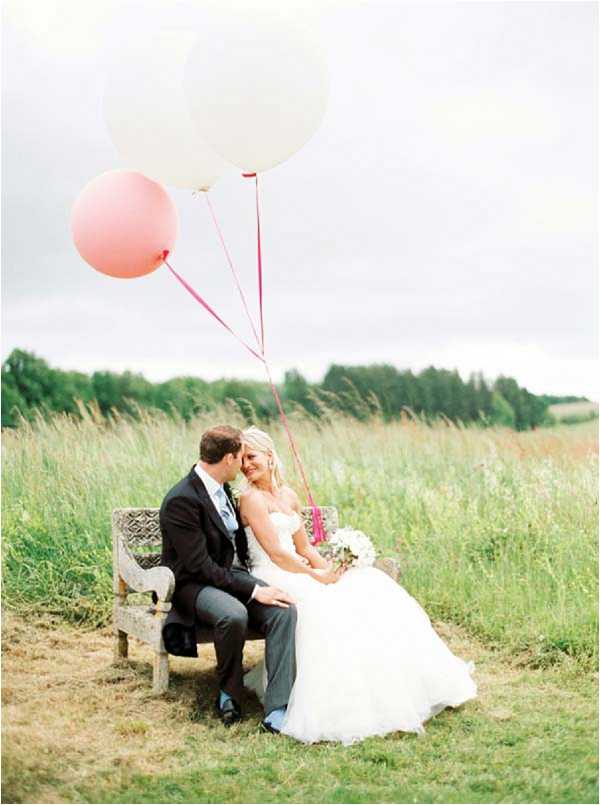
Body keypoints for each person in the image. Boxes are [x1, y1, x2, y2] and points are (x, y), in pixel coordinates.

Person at [239, 426, 478, 745]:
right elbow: (277, 553)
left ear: (270, 456)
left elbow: (305, 548)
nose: (246, 465)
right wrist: (315, 577)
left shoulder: (289, 495)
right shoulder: (250, 499)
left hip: (299, 567)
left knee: (368, 587)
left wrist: (332, 571)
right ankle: (335, 696)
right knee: (323, 606)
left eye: (251, 456)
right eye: (241, 460)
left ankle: (394, 685)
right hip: (273, 573)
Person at [159, 425, 297, 732]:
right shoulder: (182, 499)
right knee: (233, 614)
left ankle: (277, 707)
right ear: (228, 459)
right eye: (241, 458)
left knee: (284, 609)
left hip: (232, 577)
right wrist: (252, 590)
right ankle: (229, 693)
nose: (244, 466)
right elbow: (199, 566)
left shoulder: (224, 491)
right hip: (194, 585)